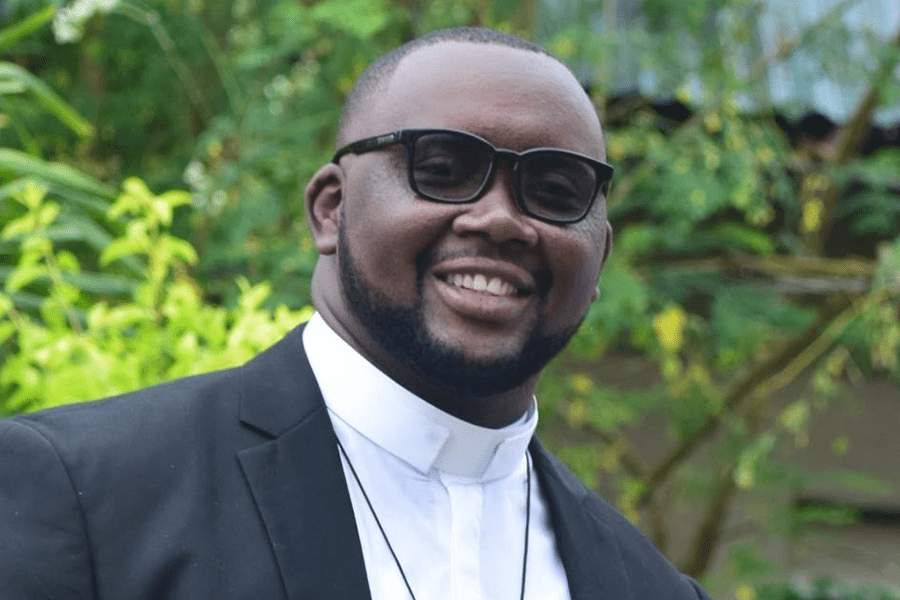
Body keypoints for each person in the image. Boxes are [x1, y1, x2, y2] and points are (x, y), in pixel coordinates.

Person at [0, 27, 711, 600]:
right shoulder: (84, 493)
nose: (499, 220)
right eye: (442, 168)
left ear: (599, 261)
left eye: (555, 189)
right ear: (330, 209)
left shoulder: (649, 586)